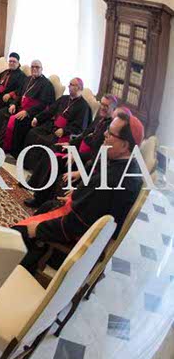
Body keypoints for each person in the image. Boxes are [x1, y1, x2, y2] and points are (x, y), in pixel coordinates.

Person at [13, 112, 145, 274]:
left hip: (78, 242)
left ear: (124, 145)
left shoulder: (113, 180)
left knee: (19, 233)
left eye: (110, 133)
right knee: (47, 205)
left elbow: (75, 225)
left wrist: (38, 229)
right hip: (83, 223)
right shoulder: (128, 165)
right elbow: (96, 201)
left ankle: (21, 269)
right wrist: (77, 196)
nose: (104, 134)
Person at [24, 96, 119, 208]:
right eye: (102, 104)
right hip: (77, 151)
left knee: (56, 159)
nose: (102, 107)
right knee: (53, 148)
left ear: (113, 109)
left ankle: (39, 199)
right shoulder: (99, 119)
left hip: (86, 161)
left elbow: (99, 154)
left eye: (106, 106)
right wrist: (70, 144)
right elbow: (84, 135)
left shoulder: (111, 129)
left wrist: (77, 155)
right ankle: (34, 184)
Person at [0, 60, 55, 154]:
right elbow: (19, 94)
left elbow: (43, 105)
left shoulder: (46, 85)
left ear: (42, 69)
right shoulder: (28, 79)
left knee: (14, 120)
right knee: (1, 112)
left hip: (32, 113)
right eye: (32, 67)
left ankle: (0, 147)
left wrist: (27, 112)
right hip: (19, 107)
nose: (34, 69)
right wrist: (13, 104)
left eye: (37, 67)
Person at [21, 77, 92, 170]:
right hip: (52, 126)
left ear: (78, 87)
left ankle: (37, 169)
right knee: (33, 133)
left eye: (71, 85)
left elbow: (80, 127)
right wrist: (37, 118)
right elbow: (49, 110)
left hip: (63, 133)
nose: (68, 86)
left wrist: (64, 130)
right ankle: (27, 164)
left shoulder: (84, 107)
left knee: (47, 142)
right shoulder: (64, 98)